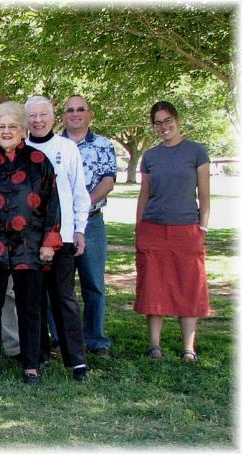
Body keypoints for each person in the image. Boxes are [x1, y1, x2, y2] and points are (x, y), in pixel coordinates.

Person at [0, 101, 62, 385]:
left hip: (29, 246)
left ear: (22, 130)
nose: (6, 131)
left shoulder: (38, 162)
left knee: (30, 307)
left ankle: (31, 364)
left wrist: (49, 241)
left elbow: (52, 205)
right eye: (1, 127)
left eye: (12, 126)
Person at [135, 101, 210, 362]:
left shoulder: (196, 152)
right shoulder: (151, 156)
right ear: (153, 126)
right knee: (153, 286)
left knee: (188, 286)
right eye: (158, 123)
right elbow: (144, 195)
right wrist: (139, 228)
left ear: (177, 120)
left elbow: (204, 194)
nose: (164, 126)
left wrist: (203, 227)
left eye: (168, 121)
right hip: (153, 228)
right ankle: (154, 345)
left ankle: (188, 347)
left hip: (187, 228)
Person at [25, 95, 90, 381]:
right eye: (32, 116)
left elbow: (79, 193)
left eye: (43, 115)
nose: (38, 121)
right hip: (28, 240)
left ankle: (76, 360)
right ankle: (37, 356)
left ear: (53, 118)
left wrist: (79, 229)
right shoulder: (20, 150)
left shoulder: (67, 148)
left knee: (64, 298)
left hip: (61, 238)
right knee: (33, 299)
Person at [61, 95, 117, 358]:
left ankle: (96, 340)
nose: (75, 114)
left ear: (89, 114)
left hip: (91, 222)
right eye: (69, 110)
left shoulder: (103, 145)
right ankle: (61, 339)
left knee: (93, 283)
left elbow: (108, 181)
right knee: (59, 285)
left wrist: (81, 207)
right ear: (62, 116)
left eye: (80, 109)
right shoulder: (54, 144)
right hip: (59, 225)